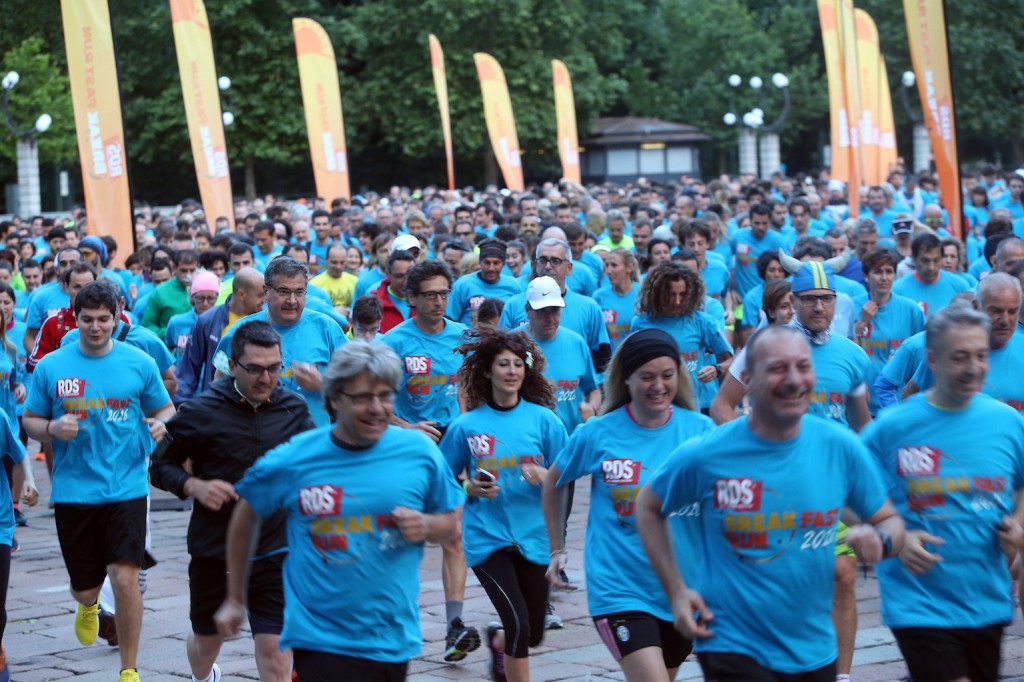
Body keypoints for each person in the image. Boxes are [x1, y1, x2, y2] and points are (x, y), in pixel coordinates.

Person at [636, 325, 905, 681]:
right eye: (778, 368)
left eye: (803, 367)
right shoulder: (708, 452)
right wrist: (677, 591)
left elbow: (890, 521)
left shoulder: (839, 447)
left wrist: (881, 540)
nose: (794, 380)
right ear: (747, 377)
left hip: (815, 648)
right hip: (732, 644)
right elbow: (648, 505)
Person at [214, 341, 461, 681]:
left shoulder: (418, 452)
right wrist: (235, 597)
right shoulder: (297, 457)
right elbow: (247, 511)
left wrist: (427, 525)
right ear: (334, 399)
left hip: (392, 634)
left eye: (385, 395)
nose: (376, 408)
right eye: (361, 397)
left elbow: (452, 526)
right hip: (319, 635)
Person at [862, 303, 1024, 682]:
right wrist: (895, 536)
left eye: (981, 356)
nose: (973, 368)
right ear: (932, 360)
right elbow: (848, 493)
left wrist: (1018, 524)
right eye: (960, 357)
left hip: (986, 597)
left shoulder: (1007, 422)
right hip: (919, 600)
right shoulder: (894, 426)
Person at [23, 280, 175, 682]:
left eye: (103, 320)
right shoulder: (53, 366)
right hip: (74, 490)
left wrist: (160, 426)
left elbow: (167, 410)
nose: (95, 327)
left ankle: (129, 669)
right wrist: (53, 427)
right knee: (86, 587)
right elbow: (30, 421)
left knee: (126, 578)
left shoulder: (138, 362)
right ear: (75, 319)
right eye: (87, 319)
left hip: (127, 486)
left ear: (117, 317)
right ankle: (88, 604)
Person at [542, 329, 714, 682]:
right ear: (626, 378)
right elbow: (554, 482)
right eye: (647, 377)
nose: (658, 386)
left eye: (667, 376)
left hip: (684, 587)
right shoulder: (598, 433)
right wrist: (556, 547)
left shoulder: (702, 431)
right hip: (620, 587)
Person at [151, 321, 315, 682]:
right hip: (215, 547)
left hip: (276, 548)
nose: (266, 378)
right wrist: (193, 485)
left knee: (275, 650)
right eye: (254, 369)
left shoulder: (294, 408)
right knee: (209, 641)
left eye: (274, 368)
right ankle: (203, 676)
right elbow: (159, 466)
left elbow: (315, 463)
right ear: (232, 365)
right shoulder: (199, 411)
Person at [440, 328, 568, 682]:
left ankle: (498, 642)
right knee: (519, 623)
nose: (512, 371)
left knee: (532, 632)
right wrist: (469, 487)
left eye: (518, 364)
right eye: (503, 364)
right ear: (487, 371)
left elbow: (566, 475)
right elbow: (441, 478)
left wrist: (547, 477)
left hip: (535, 537)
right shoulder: (466, 426)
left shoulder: (546, 421)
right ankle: (509, 639)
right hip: (487, 538)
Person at [213, 257, 346, 427]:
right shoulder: (239, 331)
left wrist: (322, 384)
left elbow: (355, 387)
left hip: (312, 442)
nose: (292, 300)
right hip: (256, 441)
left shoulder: (327, 329)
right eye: (283, 291)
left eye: (299, 292)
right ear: (266, 291)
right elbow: (219, 386)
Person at [629, 261, 733, 411]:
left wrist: (717, 369)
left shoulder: (702, 321)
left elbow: (732, 360)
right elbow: (630, 365)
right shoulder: (640, 323)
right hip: (654, 409)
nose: (677, 301)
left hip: (693, 408)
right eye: (671, 295)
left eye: (683, 295)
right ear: (658, 293)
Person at [173, 268, 265, 404]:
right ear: (241, 294)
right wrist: (181, 406)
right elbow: (188, 369)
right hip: (216, 405)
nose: (264, 300)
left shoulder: (265, 321)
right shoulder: (207, 320)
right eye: (260, 295)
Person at [853, 248, 927, 415]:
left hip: (901, 405)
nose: (884, 278)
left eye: (889, 272)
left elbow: (922, 355)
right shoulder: (853, 307)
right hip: (863, 406)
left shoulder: (911, 310)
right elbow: (846, 354)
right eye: (878, 272)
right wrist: (861, 323)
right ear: (866, 275)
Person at [710, 279, 793, 423]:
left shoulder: (816, 342)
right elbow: (720, 406)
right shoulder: (758, 347)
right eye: (785, 306)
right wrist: (743, 443)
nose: (792, 312)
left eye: (795, 305)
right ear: (772, 312)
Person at [892, 232, 972, 318]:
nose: (931, 267)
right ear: (914, 259)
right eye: (925, 261)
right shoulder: (897, 291)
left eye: (936, 260)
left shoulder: (959, 286)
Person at [447, 239, 521, 325]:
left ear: (503, 264)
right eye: (487, 262)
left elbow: (518, 319)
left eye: (496, 263)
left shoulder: (513, 285)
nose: (491, 268)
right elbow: (450, 319)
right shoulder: (463, 284)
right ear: (480, 262)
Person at [593, 248, 641, 354]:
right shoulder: (599, 297)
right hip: (609, 364)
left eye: (614, 266)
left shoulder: (642, 294)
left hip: (637, 359)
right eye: (607, 265)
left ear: (629, 267)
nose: (609, 271)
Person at [143, 249, 199, 339]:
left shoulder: (206, 289)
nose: (188, 275)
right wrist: (171, 332)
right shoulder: (160, 291)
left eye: (192, 270)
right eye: (184, 270)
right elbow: (147, 325)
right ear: (174, 268)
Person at [164, 272, 220, 361]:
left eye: (210, 298)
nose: (205, 303)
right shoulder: (176, 322)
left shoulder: (222, 323)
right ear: (193, 297)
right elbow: (167, 352)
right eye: (200, 298)